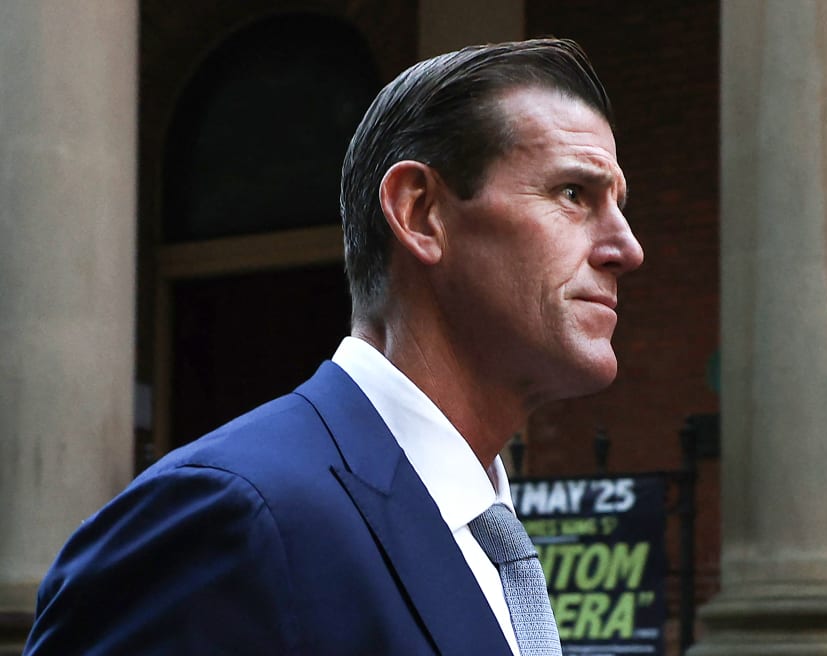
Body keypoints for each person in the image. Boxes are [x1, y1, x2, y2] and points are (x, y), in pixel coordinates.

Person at [24, 38, 643, 655]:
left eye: (618, 204)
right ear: (421, 212)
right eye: (573, 194)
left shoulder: (486, 538)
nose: (627, 248)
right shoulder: (235, 517)